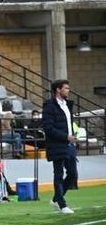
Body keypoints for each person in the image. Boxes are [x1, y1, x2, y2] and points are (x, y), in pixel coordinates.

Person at [43, 79, 78, 214]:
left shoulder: (67, 105)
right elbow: (48, 128)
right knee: (58, 174)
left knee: (73, 175)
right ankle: (62, 204)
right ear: (58, 89)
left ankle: (57, 198)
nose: (68, 90)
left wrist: (72, 136)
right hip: (57, 144)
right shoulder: (50, 106)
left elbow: (68, 124)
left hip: (69, 144)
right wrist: (65, 137)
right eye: (66, 88)